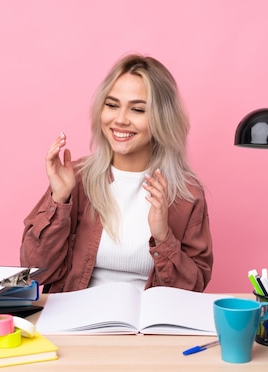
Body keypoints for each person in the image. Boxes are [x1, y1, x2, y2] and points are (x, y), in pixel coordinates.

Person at [20, 53, 213, 293]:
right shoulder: (75, 179)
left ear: (162, 118)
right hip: (79, 322)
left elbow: (192, 289)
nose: (120, 120)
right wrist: (59, 200)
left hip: (149, 326)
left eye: (138, 110)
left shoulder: (187, 194)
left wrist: (163, 236)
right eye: (112, 105)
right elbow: (35, 270)